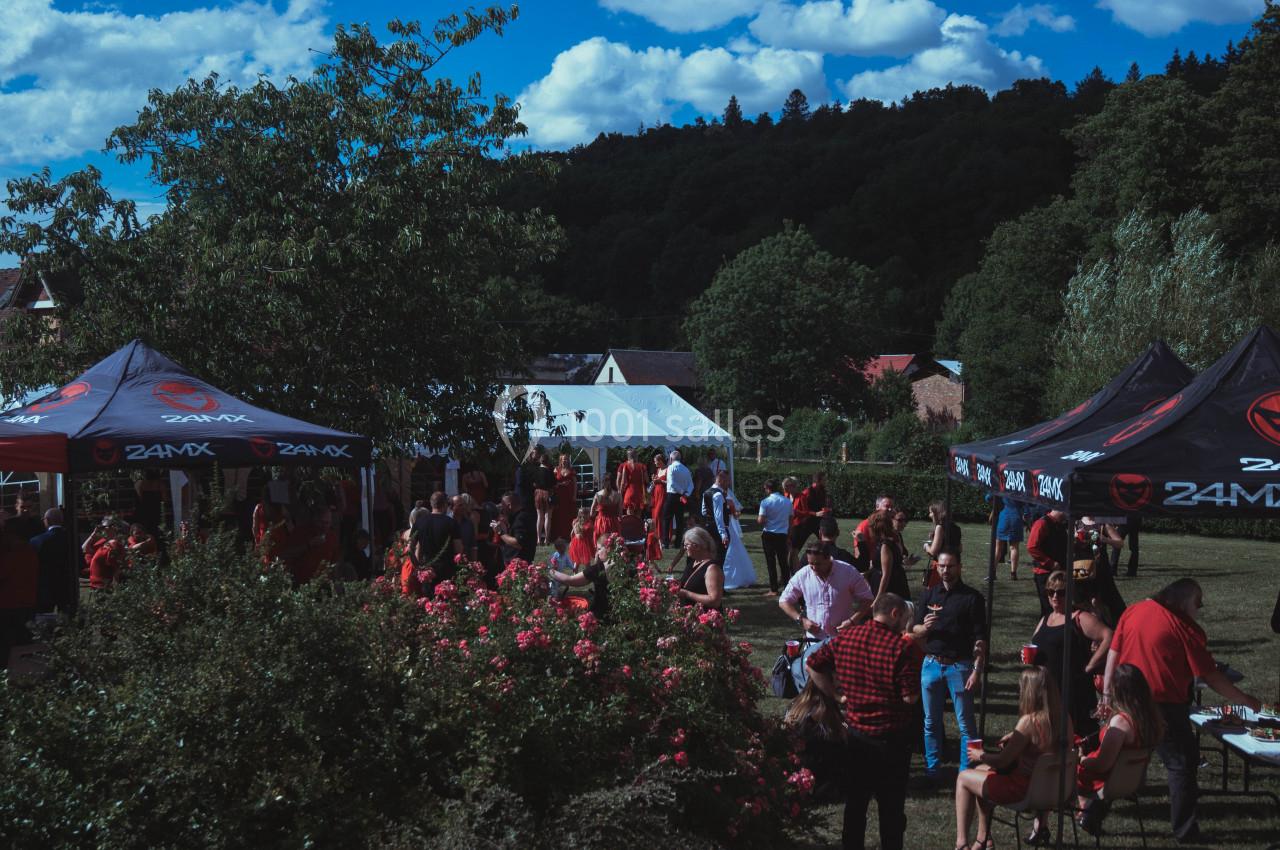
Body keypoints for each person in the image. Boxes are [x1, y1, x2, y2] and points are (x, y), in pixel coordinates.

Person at [1103, 578, 1262, 843]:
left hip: (1127, 699)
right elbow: (1211, 676)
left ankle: (1092, 813)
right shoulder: (1183, 628)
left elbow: (1114, 651)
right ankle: (1185, 830)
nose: (1199, 609)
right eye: (1198, 604)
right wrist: (1245, 700)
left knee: (1122, 758)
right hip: (1164, 704)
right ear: (1185, 602)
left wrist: (1108, 692)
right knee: (1181, 764)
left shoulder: (1134, 610)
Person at [806, 593, 920, 850]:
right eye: (903, 617)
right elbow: (910, 696)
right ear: (894, 613)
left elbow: (812, 664)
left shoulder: (847, 637)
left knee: (856, 804)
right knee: (891, 809)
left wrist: (836, 695)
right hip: (892, 738)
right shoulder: (899, 647)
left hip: (857, 735)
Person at [954, 666, 1067, 850]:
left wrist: (979, 754)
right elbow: (1041, 744)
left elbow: (1002, 761)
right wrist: (1015, 738)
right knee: (980, 772)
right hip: (1054, 787)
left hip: (1024, 789)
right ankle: (984, 840)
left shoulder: (1029, 722)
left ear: (1030, 691)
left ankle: (960, 844)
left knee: (964, 777)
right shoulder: (1063, 719)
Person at [912, 551, 987, 776]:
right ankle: (932, 769)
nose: (946, 570)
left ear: (959, 567)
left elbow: (980, 638)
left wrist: (977, 670)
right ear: (936, 567)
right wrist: (924, 628)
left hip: (959, 666)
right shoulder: (929, 595)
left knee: (966, 725)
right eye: (942, 566)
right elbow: (913, 630)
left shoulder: (972, 598)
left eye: (951, 566)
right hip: (931, 664)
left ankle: (966, 771)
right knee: (930, 723)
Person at [1075, 663, 1165, 836]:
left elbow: (1102, 765)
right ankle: (1089, 813)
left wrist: (1081, 758)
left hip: (1107, 780)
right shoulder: (1151, 717)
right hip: (1131, 779)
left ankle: (1083, 812)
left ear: (1117, 690)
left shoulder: (1121, 723)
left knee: (1068, 766)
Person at [780, 543, 875, 690]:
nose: (813, 568)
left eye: (818, 564)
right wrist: (801, 619)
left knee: (843, 682)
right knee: (815, 684)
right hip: (815, 641)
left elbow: (868, 599)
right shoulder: (804, 574)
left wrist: (853, 620)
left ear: (829, 559)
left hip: (842, 639)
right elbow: (784, 601)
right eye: (810, 563)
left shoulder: (848, 572)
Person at [1031, 570, 1113, 735]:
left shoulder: (1079, 617)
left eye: (1061, 592)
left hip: (1072, 688)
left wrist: (1090, 665)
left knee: (1074, 735)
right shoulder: (1045, 619)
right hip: (1046, 687)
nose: (1055, 596)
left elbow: (1109, 636)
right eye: (1050, 592)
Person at [784, 679, 847, 803]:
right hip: (822, 782)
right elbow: (843, 738)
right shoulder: (823, 710)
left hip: (800, 776)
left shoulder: (797, 704)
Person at [0, 510, 39, 669]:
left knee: (7, 649)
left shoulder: (12, 551)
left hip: (8, 606)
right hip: (27, 603)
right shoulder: (29, 550)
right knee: (23, 646)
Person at [549, 535, 611, 618]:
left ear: (608, 549)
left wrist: (551, 571)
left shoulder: (597, 570)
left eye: (599, 549)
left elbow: (570, 580)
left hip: (603, 613)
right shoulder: (626, 564)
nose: (597, 552)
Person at [412, 492, 464, 585]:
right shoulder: (451, 523)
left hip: (426, 570)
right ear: (445, 504)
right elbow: (459, 549)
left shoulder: (419, 523)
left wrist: (418, 566)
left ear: (431, 504)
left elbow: (410, 548)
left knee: (426, 598)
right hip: (446, 571)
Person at [30, 508, 72, 616]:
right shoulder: (72, 538)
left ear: (47, 520)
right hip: (67, 587)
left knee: (44, 621)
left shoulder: (37, 541)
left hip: (45, 588)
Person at [1027, 509, 1069, 618]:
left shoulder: (1060, 525)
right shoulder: (1042, 523)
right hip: (1045, 573)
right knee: (1048, 609)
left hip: (1059, 572)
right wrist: (1050, 563)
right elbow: (1032, 547)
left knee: (1060, 607)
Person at [757, 478, 793, 597]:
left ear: (768, 489)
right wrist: (789, 534)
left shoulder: (765, 502)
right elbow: (791, 520)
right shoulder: (787, 502)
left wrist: (769, 520)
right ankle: (788, 587)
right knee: (783, 562)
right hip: (782, 534)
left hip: (769, 534)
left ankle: (774, 589)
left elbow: (760, 520)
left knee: (770, 562)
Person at [674, 526, 723, 609]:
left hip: (705, 618)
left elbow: (715, 601)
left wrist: (687, 594)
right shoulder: (693, 563)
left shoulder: (712, 569)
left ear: (697, 546)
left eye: (686, 545)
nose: (684, 548)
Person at [866, 510, 910, 601]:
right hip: (887, 583)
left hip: (889, 587)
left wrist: (878, 598)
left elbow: (886, 575)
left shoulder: (885, 545)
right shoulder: (885, 542)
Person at [922, 500, 963, 589]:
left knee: (934, 592)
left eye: (931, 512)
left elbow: (933, 551)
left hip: (941, 565)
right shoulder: (956, 528)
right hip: (953, 564)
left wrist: (926, 546)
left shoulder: (940, 527)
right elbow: (960, 548)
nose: (930, 515)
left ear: (937, 513)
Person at [662, 450, 693, 553]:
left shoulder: (671, 468)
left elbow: (672, 483)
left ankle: (665, 542)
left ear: (671, 459)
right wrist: (686, 493)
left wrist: (681, 492)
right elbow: (691, 485)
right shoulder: (686, 469)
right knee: (680, 520)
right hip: (682, 497)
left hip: (672, 495)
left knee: (666, 519)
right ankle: (678, 542)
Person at [497, 491, 538, 567]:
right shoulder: (520, 516)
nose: (502, 508)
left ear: (509, 505)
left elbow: (518, 543)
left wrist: (500, 532)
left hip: (518, 566)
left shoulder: (520, 519)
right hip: (517, 564)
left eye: (503, 505)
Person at [993, 496, 1025, 580]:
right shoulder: (1020, 489)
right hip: (1016, 517)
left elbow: (988, 497)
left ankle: (992, 572)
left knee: (998, 548)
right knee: (1014, 547)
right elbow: (1029, 504)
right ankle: (1013, 573)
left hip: (1004, 516)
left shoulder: (1002, 487)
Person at [551, 453, 578, 541]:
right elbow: (552, 483)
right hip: (559, 496)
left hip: (569, 496)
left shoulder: (572, 470)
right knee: (559, 515)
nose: (565, 460)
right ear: (560, 460)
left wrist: (574, 495)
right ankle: (559, 535)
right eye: (563, 459)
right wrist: (560, 484)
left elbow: (575, 483)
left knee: (570, 515)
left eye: (566, 459)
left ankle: (569, 535)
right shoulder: (556, 469)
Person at [590, 474, 622, 542]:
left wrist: (597, 512)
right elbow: (620, 514)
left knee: (601, 543)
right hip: (613, 523)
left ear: (603, 482)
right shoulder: (618, 495)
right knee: (613, 544)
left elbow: (591, 513)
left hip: (601, 523)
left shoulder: (598, 495)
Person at [534, 452, 556, 547]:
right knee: (547, 517)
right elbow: (554, 484)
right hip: (548, 493)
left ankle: (538, 539)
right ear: (547, 461)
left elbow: (533, 483)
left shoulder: (536, 471)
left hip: (538, 493)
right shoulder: (549, 471)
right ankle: (547, 539)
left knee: (539, 516)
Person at [617, 448, 647, 516]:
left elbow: (622, 482)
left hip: (629, 492)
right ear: (636, 455)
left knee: (630, 516)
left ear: (628, 456)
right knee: (638, 517)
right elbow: (646, 480)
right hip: (639, 493)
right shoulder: (642, 466)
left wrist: (620, 493)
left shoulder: (625, 466)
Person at [649, 451, 668, 546]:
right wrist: (654, 480)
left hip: (663, 494)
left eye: (655, 461)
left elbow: (669, 482)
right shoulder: (658, 470)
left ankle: (662, 537)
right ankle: (656, 537)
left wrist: (660, 480)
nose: (654, 463)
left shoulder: (667, 469)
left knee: (658, 515)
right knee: (654, 515)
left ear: (660, 461)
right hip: (656, 493)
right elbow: (656, 482)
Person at [451, 493, 477, 562]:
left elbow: (473, 546)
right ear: (452, 507)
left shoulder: (469, 523)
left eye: (464, 504)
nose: (463, 507)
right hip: (451, 562)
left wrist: (474, 563)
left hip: (466, 562)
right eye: (460, 505)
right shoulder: (448, 523)